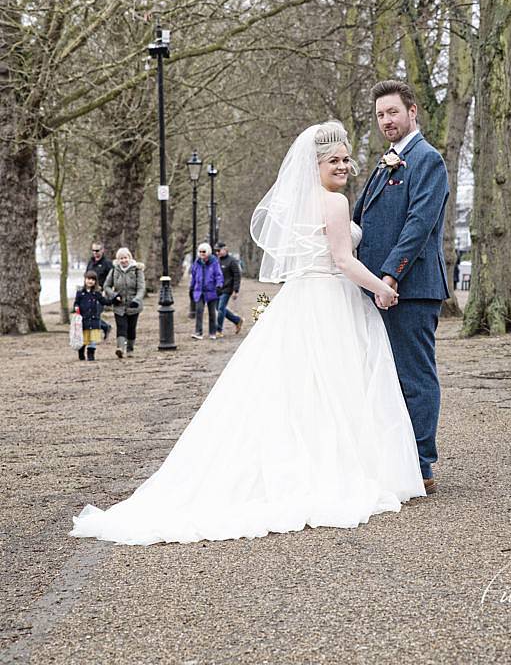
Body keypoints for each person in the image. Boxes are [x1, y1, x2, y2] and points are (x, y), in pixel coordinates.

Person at [70, 121, 424, 545]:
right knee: (334, 384)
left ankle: (307, 461)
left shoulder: (305, 202)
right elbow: (344, 261)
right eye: (334, 161)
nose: (344, 166)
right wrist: (383, 288)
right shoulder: (334, 203)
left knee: (302, 389)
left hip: (303, 299)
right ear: (315, 166)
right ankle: (332, 469)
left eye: (347, 159)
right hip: (329, 299)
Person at [353, 80, 449, 495]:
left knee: (414, 375)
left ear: (413, 112)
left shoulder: (428, 159)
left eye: (392, 112)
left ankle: (422, 464)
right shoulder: (385, 162)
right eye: (380, 115)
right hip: (380, 288)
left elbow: (418, 225)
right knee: (385, 376)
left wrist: (390, 275)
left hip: (410, 288)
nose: (386, 121)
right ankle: (396, 459)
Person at [104, 248, 145, 359]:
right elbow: (106, 286)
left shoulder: (137, 270)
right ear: (118, 260)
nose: (123, 260)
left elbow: (141, 288)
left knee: (131, 328)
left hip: (133, 304)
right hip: (119, 305)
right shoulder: (114, 270)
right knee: (121, 326)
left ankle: (130, 349)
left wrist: (137, 300)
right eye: (121, 258)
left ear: (129, 258)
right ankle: (120, 348)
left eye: (125, 257)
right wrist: (114, 295)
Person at [73, 270, 112, 361]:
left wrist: (114, 300)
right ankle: (81, 352)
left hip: (94, 319)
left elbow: (104, 301)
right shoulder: (80, 292)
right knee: (84, 338)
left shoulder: (97, 293)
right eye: (88, 279)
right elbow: (76, 303)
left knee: (93, 338)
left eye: (93, 280)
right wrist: (76, 307)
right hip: (83, 319)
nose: (90, 281)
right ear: (85, 280)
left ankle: (91, 354)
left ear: (95, 281)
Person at [190, 242, 224, 340]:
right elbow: (193, 275)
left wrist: (219, 285)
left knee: (212, 312)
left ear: (208, 252)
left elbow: (218, 275)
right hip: (199, 291)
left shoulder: (214, 262)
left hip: (211, 290)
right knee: (199, 311)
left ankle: (212, 332)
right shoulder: (197, 263)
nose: (202, 253)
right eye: (200, 252)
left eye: (204, 251)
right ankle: (198, 332)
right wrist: (191, 287)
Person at [86, 242, 113, 339]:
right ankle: (105, 327)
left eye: (97, 250)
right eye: (93, 251)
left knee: (95, 313)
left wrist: (107, 290)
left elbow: (112, 278)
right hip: (89, 292)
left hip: (101, 292)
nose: (95, 253)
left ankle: (95, 336)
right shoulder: (90, 262)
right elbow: (87, 276)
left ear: (102, 250)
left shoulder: (107, 263)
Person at [215, 241, 242, 336]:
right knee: (219, 309)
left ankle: (218, 330)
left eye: (219, 250)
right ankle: (237, 320)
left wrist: (236, 290)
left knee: (221, 308)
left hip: (227, 289)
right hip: (218, 289)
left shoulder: (232, 261)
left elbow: (237, 275)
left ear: (225, 249)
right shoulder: (216, 261)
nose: (217, 252)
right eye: (216, 251)